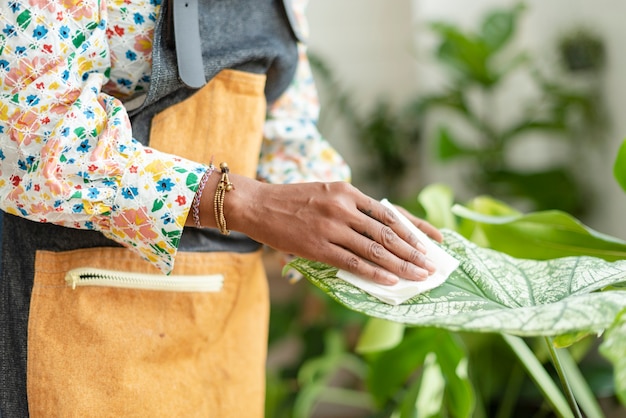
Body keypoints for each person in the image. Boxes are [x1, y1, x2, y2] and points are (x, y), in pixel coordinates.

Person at [0, 0, 443, 416]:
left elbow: (283, 129)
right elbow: (35, 144)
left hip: (224, 322)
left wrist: (353, 224)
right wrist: (248, 203)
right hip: (78, 326)